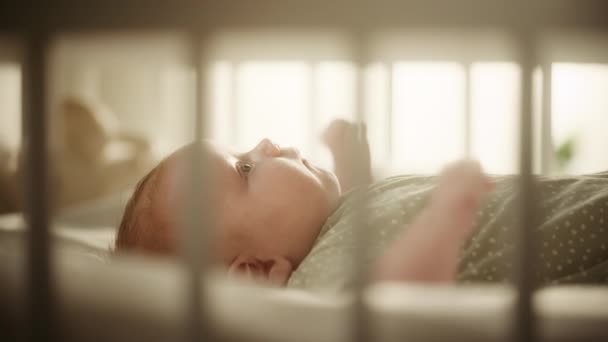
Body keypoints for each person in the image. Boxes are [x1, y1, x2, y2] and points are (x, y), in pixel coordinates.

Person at [115, 120, 608, 290]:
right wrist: (442, 223)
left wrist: (351, 170)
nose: (263, 143)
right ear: (255, 272)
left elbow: (363, 219)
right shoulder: (317, 286)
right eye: (245, 168)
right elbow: (392, 299)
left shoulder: (328, 234)